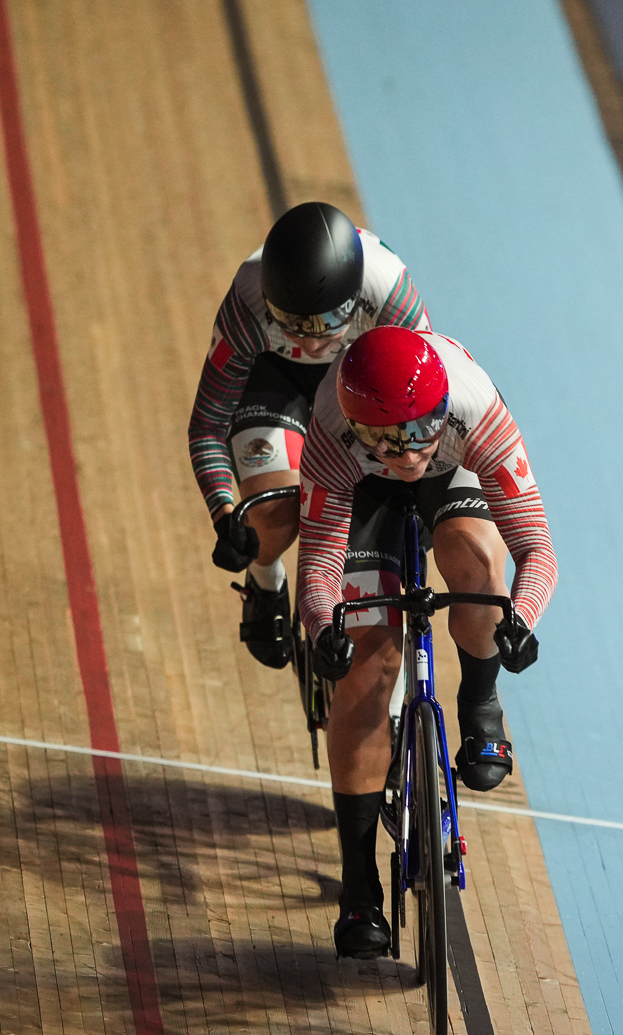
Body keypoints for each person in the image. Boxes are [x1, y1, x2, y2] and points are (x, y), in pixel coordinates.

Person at [295, 327, 556, 959]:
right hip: (363, 490)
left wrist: (519, 617)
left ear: (443, 409)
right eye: (385, 438)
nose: (406, 453)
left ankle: (480, 702)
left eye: (417, 432)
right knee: (368, 664)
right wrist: (325, 622)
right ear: (356, 426)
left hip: (456, 470)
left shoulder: (478, 412)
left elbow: (534, 549)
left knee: (475, 562)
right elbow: (319, 566)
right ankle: (359, 887)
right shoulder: (331, 436)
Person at [189, 201, 431, 667]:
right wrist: (226, 516)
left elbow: (421, 407)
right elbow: (207, 425)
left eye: (326, 323)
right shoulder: (247, 303)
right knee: (273, 513)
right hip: (277, 382)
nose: (312, 341)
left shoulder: (391, 295)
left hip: (360, 378)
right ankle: (265, 580)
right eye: (294, 323)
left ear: (356, 298)